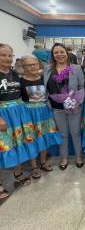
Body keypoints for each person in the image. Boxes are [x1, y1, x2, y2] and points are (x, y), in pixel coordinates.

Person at [0, 44, 38, 196]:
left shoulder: (15, 74)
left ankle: (17, 172)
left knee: (18, 142)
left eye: (10, 55)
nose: (8, 58)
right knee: (3, 146)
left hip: (19, 112)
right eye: (3, 55)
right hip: (3, 114)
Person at [20, 55, 62, 178]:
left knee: (44, 136)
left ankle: (43, 162)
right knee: (31, 138)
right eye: (29, 64)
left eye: (35, 64)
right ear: (23, 67)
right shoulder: (20, 81)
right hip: (29, 114)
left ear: (39, 65)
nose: (33, 66)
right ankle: (33, 166)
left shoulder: (44, 78)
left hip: (44, 112)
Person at [44, 43, 84, 170]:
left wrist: (78, 102)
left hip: (74, 107)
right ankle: (64, 157)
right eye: (56, 52)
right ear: (53, 55)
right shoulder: (47, 69)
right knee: (62, 134)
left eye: (62, 52)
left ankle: (78, 156)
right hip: (56, 107)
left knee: (75, 132)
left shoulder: (76, 68)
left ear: (67, 53)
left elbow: (81, 86)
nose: (59, 54)